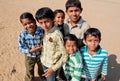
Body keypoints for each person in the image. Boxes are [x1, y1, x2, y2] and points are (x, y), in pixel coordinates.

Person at [35, 7, 68, 81]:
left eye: (46, 21)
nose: (44, 25)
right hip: (43, 62)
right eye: (41, 23)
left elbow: (65, 55)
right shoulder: (44, 31)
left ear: (53, 19)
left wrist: (53, 69)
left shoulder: (57, 34)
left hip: (52, 66)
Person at [18, 12, 45, 81]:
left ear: (34, 21)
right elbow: (20, 47)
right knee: (29, 70)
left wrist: (42, 47)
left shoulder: (41, 30)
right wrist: (29, 51)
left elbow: (45, 40)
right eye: (25, 24)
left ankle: (43, 78)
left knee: (42, 69)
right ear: (22, 25)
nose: (29, 25)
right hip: (29, 56)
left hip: (41, 55)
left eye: (30, 22)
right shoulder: (23, 34)